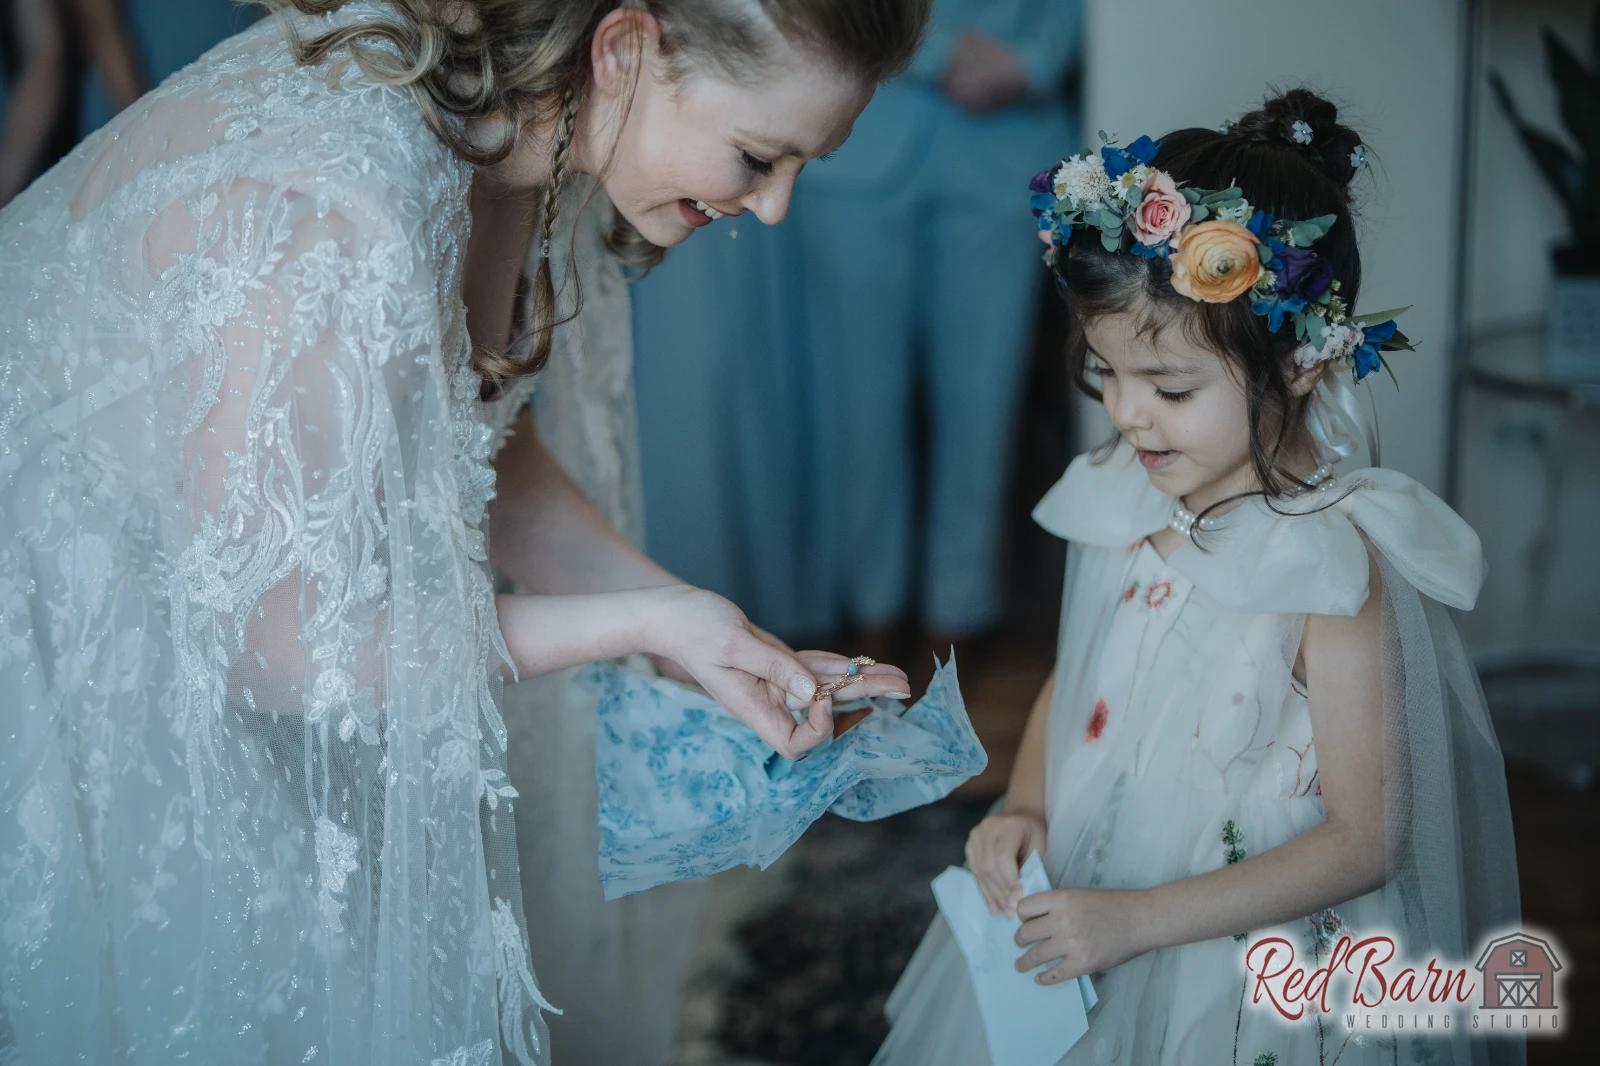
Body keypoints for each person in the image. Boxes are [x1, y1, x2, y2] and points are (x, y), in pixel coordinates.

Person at [0, 0, 928, 1062]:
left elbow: (463, 441)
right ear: (623, 48)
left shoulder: (515, 136)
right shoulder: (341, 207)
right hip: (62, 653)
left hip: (202, 633)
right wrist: (637, 619)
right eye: (760, 157)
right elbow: (280, 650)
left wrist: (685, 629)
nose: (772, 208)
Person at [873, 90, 1523, 1065]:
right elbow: (1075, 681)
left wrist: (1138, 921)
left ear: (1300, 364)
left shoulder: (1327, 563)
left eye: (1171, 389)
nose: (1129, 417)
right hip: (1094, 906)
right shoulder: (1118, 498)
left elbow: (1364, 838)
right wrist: (1023, 807)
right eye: (1108, 376)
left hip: (1242, 965)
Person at [630, 0, 1080, 654]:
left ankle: (959, 618)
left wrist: (1034, 60)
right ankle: (872, 609)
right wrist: (935, 50)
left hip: (1009, 143)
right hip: (865, 138)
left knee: (984, 398)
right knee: (858, 404)